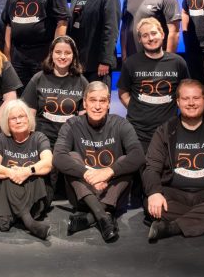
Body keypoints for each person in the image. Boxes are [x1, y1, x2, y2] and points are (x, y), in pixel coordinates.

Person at [144, 79, 204, 240]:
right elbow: (151, 167)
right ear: (177, 102)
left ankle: (171, 227)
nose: (191, 103)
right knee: (151, 202)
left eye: (196, 98)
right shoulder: (165, 130)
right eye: (185, 98)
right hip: (175, 194)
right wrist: (154, 193)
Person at [53, 81, 146, 243]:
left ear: (109, 102)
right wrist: (88, 174)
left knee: (125, 160)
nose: (97, 106)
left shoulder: (120, 123)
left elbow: (138, 155)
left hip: (111, 194)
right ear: (85, 102)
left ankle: (91, 217)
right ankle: (103, 216)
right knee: (72, 156)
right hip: (83, 195)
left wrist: (108, 172)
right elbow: (58, 157)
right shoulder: (72, 124)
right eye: (92, 100)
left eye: (102, 101)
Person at [22, 36, 88, 199]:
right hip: (44, 137)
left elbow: (84, 119)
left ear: (74, 56)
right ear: (51, 54)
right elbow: (28, 114)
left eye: (67, 53)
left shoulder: (82, 82)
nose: (62, 56)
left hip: (69, 138)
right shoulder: (38, 78)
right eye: (58, 52)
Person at [2, 0, 69, 91]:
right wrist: (7, 54)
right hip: (18, 55)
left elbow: (62, 21)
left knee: (42, 93)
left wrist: (55, 52)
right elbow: (8, 23)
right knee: (19, 95)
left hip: (43, 54)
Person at [119, 17, 189, 152]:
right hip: (138, 132)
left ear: (162, 35)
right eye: (145, 35)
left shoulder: (178, 62)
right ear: (140, 40)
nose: (150, 38)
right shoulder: (131, 63)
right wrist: (137, 110)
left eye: (153, 33)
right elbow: (123, 93)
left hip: (169, 131)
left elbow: (186, 93)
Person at [0, 100, 54, 240]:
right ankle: (29, 222)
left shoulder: (39, 137)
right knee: (5, 175)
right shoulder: (0, 139)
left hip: (36, 197)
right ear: (7, 122)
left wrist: (28, 171)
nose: (18, 121)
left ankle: (5, 220)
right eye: (13, 118)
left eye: (21, 116)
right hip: (7, 192)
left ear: (29, 118)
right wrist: (13, 172)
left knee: (35, 173)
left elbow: (48, 163)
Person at [68, 0, 120, 87]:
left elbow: (111, 29)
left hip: (98, 64)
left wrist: (105, 61)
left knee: (98, 104)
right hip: (78, 63)